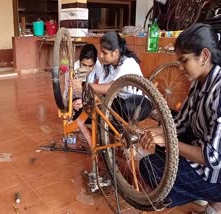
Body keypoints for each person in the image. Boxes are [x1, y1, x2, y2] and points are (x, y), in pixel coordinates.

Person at [140, 23, 221, 214]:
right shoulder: (199, 82)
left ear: (204, 56)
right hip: (204, 150)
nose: (181, 67)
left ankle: (214, 198)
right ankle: (209, 200)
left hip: (216, 169)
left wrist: (168, 141)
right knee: (158, 148)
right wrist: (151, 132)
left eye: (184, 60)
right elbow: (181, 123)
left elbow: (213, 159)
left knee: (150, 167)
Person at [73, 32, 151, 147]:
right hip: (118, 102)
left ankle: (119, 140)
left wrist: (85, 86)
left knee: (110, 108)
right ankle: (110, 143)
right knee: (86, 110)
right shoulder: (108, 67)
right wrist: (85, 101)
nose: (101, 56)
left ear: (115, 52)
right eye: (101, 52)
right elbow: (102, 92)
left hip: (138, 103)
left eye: (104, 53)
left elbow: (111, 87)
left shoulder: (128, 63)